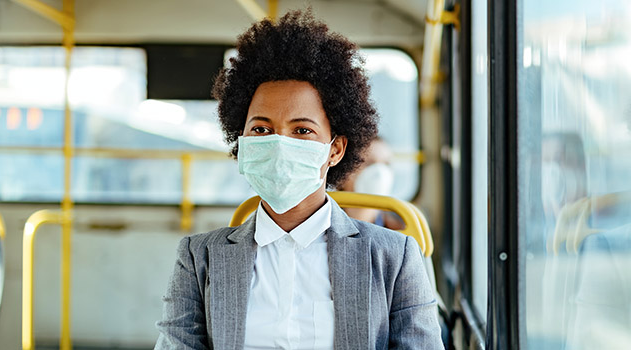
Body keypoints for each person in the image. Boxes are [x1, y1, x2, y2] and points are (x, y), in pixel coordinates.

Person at [155, 10, 443, 350]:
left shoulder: (394, 256)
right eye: (261, 129)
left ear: (335, 149)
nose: (279, 144)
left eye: (302, 130)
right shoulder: (198, 257)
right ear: (242, 142)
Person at [337, 137, 405, 230]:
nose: (380, 172)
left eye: (386, 164)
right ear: (344, 173)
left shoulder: (401, 230)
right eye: (369, 163)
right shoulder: (324, 225)